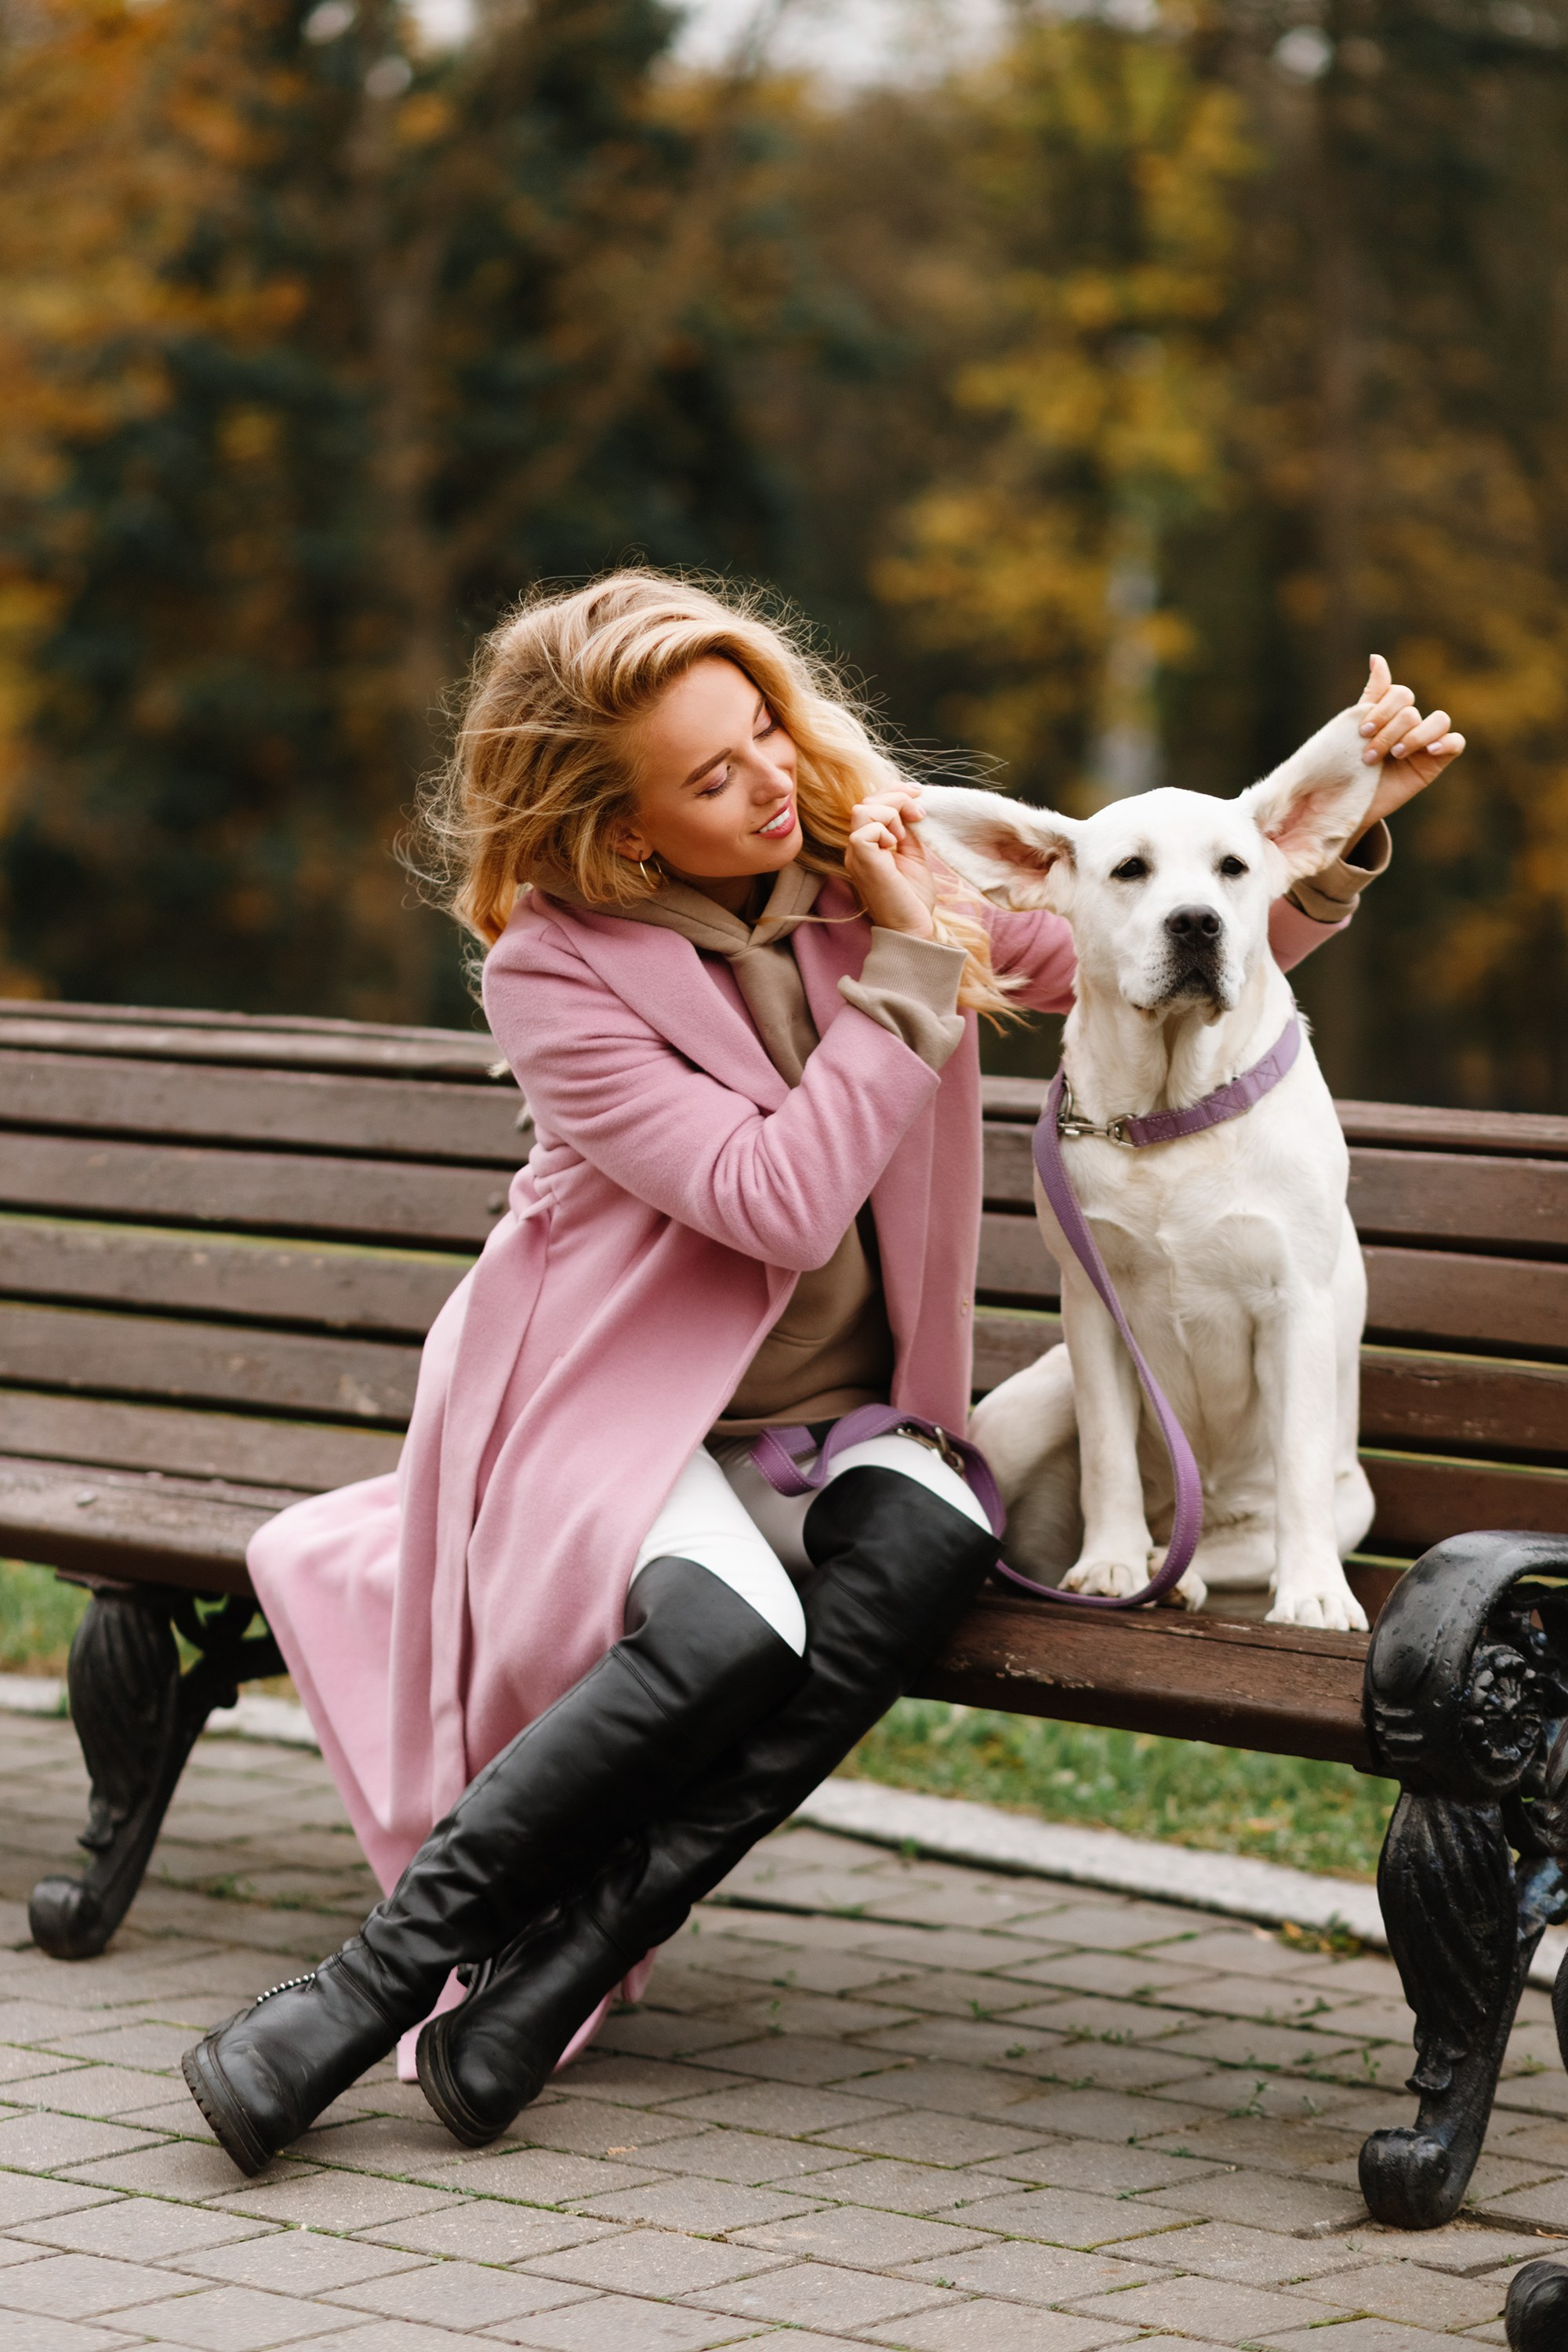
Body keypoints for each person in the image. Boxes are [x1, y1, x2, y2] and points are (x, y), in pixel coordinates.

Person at [182, 571, 1462, 2173]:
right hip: (620, 1417)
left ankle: (558, 1972)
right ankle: (360, 1999)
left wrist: (1338, 836)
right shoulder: (553, 971)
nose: (776, 777)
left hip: (835, 1427)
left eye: (767, 729)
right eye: (715, 777)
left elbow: (1147, 939)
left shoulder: (880, 864)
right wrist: (916, 968)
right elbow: (770, 1199)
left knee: (932, 1538)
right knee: (727, 1637)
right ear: (628, 831)